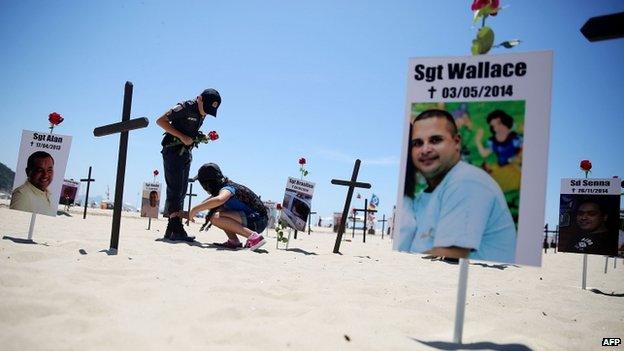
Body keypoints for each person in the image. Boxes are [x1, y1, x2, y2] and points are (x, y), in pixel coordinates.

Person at [397, 109, 516, 262]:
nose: (425, 149)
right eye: (417, 143)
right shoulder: (422, 198)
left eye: (435, 140)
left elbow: (450, 255)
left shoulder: (466, 182)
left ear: (457, 142)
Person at [156, 88, 221, 241]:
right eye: (205, 108)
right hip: (172, 151)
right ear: (199, 99)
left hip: (185, 153)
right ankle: (174, 228)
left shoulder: (202, 114)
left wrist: (200, 137)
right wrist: (182, 136)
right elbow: (160, 121)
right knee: (175, 188)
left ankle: (173, 228)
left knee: (182, 190)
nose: (206, 113)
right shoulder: (184, 107)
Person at [185, 163, 268, 250]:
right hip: (256, 219)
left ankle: (254, 237)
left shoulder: (227, 188)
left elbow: (219, 200)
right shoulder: (221, 189)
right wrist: (188, 213)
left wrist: (195, 209)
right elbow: (204, 205)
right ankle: (234, 241)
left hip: (258, 220)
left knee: (214, 217)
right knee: (216, 211)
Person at [10, 151, 56, 216]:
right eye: (40, 170)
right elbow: (15, 224)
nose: (45, 175)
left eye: (49, 170)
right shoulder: (22, 196)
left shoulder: (46, 194)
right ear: (28, 172)